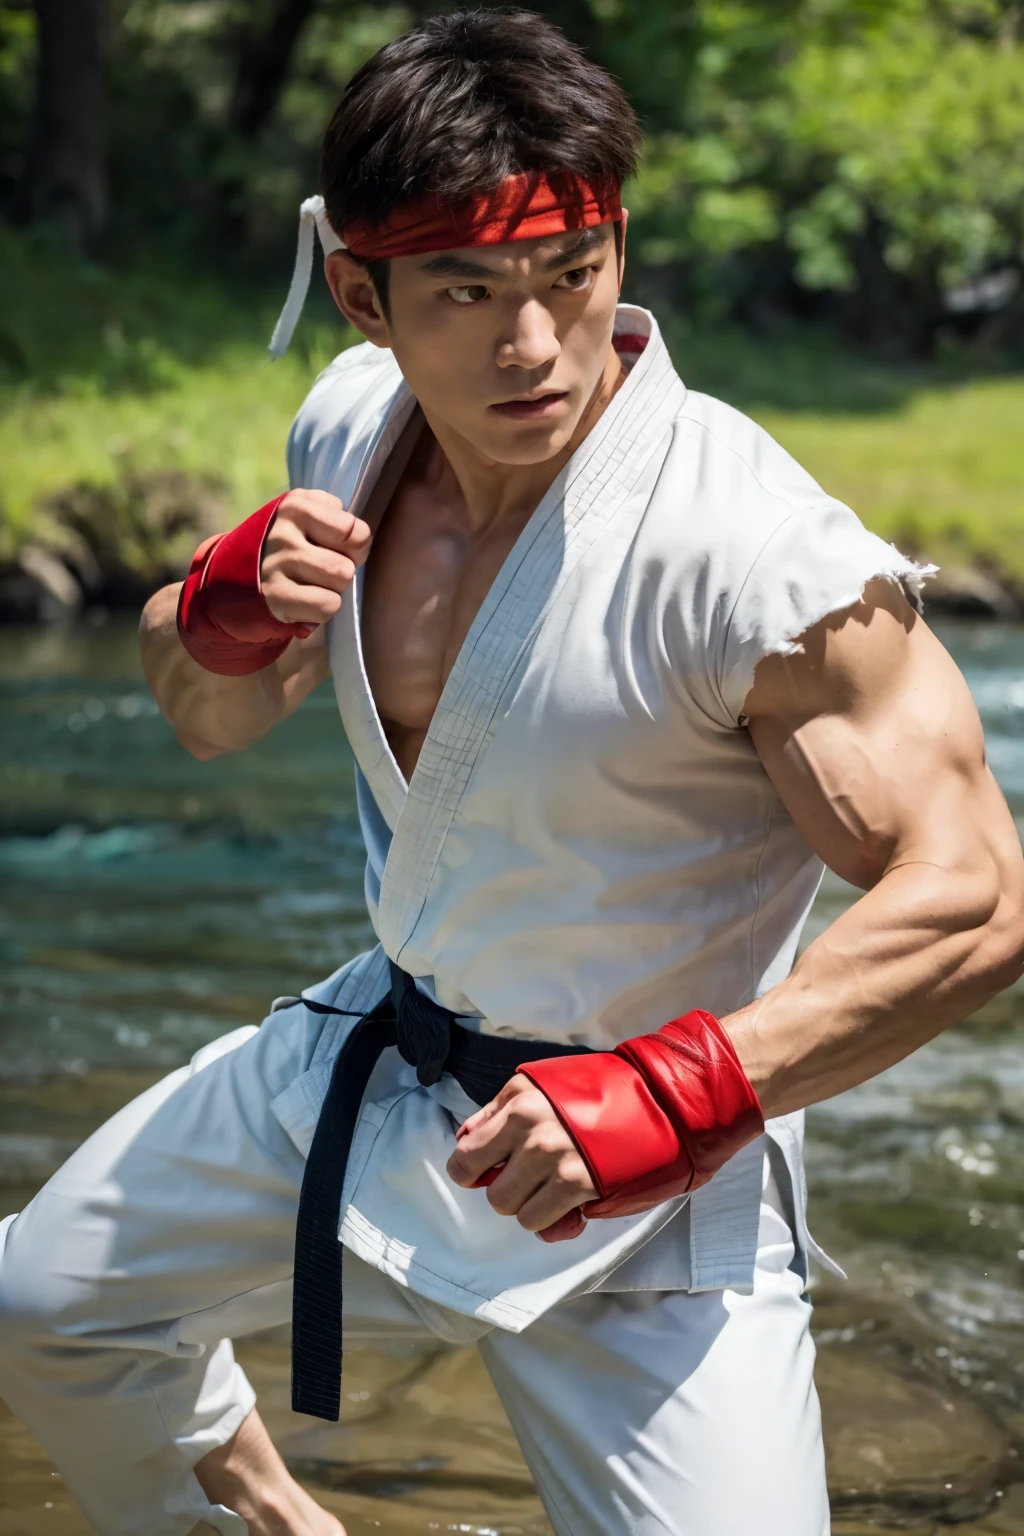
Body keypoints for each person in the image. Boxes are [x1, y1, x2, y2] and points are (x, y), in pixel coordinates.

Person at [1, 9, 1022, 1535]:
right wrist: (208, 617)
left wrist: (678, 1095)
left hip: (660, 1184)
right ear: (363, 293)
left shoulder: (752, 554)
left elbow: (976, 896)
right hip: (385, 1058)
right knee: (43, 1302)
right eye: (468, 291)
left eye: (569, 275)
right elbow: (207, 723)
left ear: (615, 243)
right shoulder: (348, 431)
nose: (534, 343)